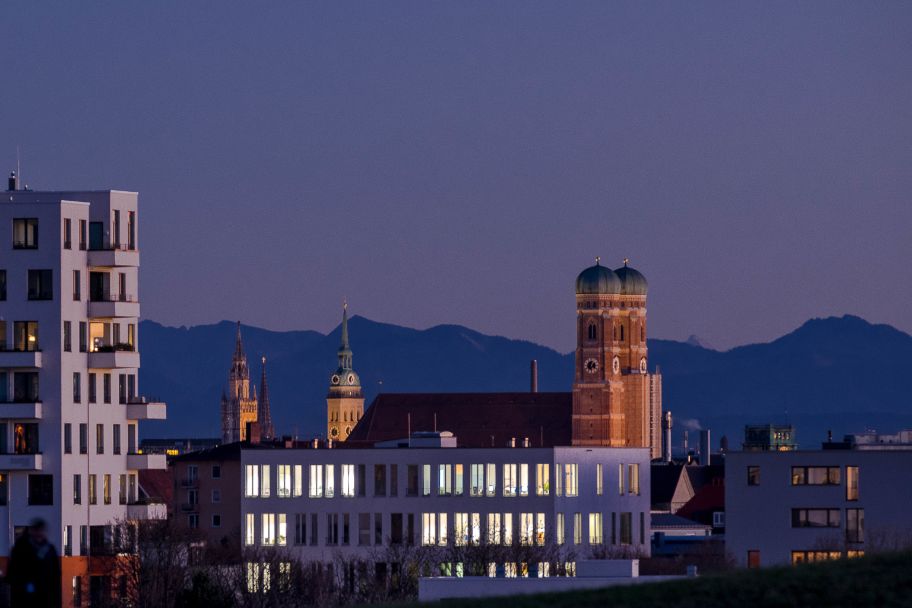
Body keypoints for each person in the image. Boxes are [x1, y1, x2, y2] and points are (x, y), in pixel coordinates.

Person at [6, 518, 62, 607]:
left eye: (41, 531)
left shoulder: (50, 550)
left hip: (44, 598)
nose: (39, 534)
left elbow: (55, 578)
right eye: (37, 531)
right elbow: (12, 575)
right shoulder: (19, 549)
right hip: (25, 598)